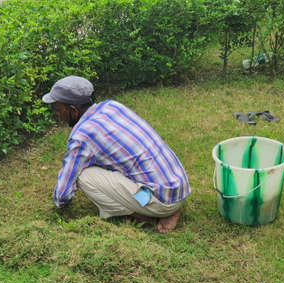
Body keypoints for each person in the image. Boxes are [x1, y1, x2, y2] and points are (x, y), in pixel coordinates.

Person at [42, 76, 190, 233]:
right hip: (179, 186)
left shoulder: (83, 136)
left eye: (59, 110)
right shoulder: (112, 106)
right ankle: (164, 207)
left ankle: (148, 214)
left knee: (84, 177)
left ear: (73, 110)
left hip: (162, 200)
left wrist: (60, 203)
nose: (58, 115)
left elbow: (64, 191)